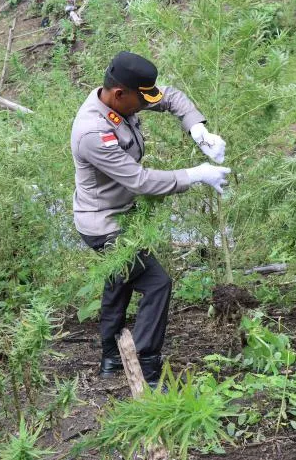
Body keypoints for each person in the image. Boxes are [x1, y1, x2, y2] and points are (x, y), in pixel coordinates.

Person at [71, 51, 231, 387]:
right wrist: (196, 174)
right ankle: (144, 364)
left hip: (120, 217)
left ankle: (111, 361)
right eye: (141, 102)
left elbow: (170, 97)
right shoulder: (93, 132)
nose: (146, 106)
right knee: (157, 283)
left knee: (119, 281)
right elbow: (140, 181)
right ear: (119, 95)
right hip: (103, 225)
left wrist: (199, 132)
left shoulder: (120, 97)